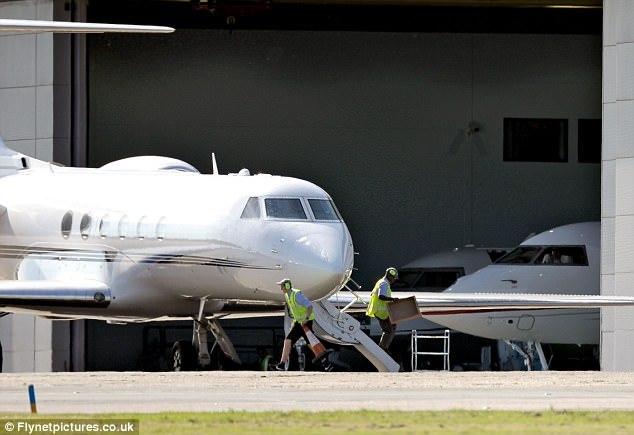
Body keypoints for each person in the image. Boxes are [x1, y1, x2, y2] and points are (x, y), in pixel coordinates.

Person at [275, 278, 317, 371]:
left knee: (310, 342)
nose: (281, 288)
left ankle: (324, 360)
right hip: (298, 322)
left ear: (287, 286)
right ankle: (282, 363)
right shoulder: (287, 295)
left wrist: (306, 319)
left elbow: (309, 306)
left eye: (282, 286)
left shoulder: (297, 294)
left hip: (306, 321)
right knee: (289, 340)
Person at [366, 267, 399, 351]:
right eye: (393, 278)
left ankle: (383, 348)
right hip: (381, 312)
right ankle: (383, 349)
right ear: (389, 276)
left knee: (392, 327)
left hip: (381, 311)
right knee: (389, 330)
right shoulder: (384, 283)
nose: (394, 280)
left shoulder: (381, 282)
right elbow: (381, 296)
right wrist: (393, 299)